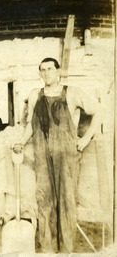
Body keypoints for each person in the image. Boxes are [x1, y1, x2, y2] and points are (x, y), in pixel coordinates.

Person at [13, 58, 102, 253]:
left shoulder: (72, 92)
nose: (46, 73)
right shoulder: (35, 95)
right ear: (39, 74)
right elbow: (30, 126)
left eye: (50, 69)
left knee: (67, 200)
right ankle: (47, 248)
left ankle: (66, 249)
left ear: (58, 72)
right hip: (42, 154)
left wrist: (85, 139)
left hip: (67, 156)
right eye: (42, 70)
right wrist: (21, 141)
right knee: (44, 199)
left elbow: (98, 112)